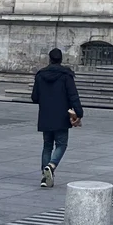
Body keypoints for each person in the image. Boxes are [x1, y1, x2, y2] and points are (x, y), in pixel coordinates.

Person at [30, 48, 83, 188]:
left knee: (47, 145)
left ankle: (45, 177)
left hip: (45, 114)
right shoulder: (66, 75)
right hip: (61, 115)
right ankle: (51, 166)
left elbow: (34, 97)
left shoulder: (40, 75)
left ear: (50, 59)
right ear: (61, 59)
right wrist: (79, 112)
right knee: (61, 144)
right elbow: (73, 95)